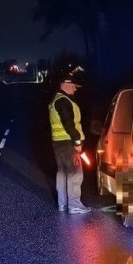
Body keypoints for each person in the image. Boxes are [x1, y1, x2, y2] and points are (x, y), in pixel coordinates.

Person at [49, 66, 90, 213]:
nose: (75, 89)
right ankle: (74, 205)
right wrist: (77, 142)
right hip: (68, 143)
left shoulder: (56, 100)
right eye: (74, 86)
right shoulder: (64, 101)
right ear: (66, 84)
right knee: (75, 173)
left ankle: (62, 204)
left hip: (58, 144)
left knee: (62, 173)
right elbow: (69, 124)